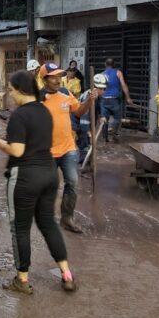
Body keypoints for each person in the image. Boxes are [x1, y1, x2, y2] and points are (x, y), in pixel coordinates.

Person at [0, 70, 77, 295]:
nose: (9, 94)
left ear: (20, 90)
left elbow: (17, 150)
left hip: (25, 177)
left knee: (20, 228)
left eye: (10, 90)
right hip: (49, 173)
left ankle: (22, 279)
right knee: (48, 223)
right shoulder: (44, 111)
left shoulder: (19, 115)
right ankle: (66, 274)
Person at [40, 62, 96, 233]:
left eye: (59, 76)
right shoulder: (37, 98)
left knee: (72, 183)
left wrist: (89, 100)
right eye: (54, 77)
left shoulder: (65, 93)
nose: (58, 80)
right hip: (47, 151)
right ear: (44, 79)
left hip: (68, 149)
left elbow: (78, 112)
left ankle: (67, 218)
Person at [100, 57, 134, 142]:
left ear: (105, 64)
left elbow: (98, 88)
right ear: (114, 65)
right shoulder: (118, 73)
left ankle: (105, 137)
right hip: (114, 99)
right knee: (117, 118)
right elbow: (123, 85)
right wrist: (128, 98)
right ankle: (112, 131)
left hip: (104, 99)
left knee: (105, 118)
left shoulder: (102, 74)